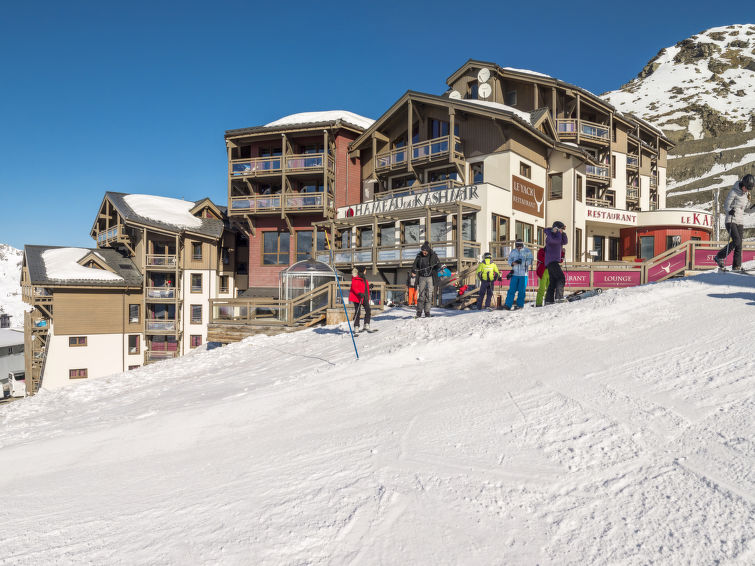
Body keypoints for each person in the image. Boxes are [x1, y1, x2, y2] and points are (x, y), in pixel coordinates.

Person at [715, 174, 753, 271]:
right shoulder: (734, 191)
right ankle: (719, 256)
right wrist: (730, 210)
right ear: (743, 184)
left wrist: (753, 208)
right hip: (730, 220)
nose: (747, 190)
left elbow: (747, 209)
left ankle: (736, 266)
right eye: (746, 188)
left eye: (749, 189)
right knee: (736, 240)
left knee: (739, 245)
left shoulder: (746, 195)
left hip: (740, 221)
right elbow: (726, 205)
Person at [412, 241, 440, 318]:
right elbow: (414, 265)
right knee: (421, 295)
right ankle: (419, 311)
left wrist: (438, 266)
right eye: (422, 250)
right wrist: (413, 271)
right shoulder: (419, 256)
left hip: (430, 277)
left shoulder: (433, 255)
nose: (424, 252)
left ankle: (427, 311)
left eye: (425, 250)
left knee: (429, 295)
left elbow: (438, 265)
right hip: (421, 277)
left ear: (427, 250)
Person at [504, 239, 533, 310]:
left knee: (521, 290)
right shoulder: (513, 251)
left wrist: (522, 262)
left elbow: (530, 261)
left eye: (520, 246)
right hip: (515, 273)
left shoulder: (527, 251)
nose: (519, 248)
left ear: (522, 245)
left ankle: (520, 305)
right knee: (512, 290)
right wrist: (513, 263)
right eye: (517, 246)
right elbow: (509, 260)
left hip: (523, 274)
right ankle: (508, 304)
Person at [544, 221, 568, 305]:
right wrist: (557, 232)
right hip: (552, 261)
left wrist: (563, 233)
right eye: (561, 229)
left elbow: (565, 242)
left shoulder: (557, 235)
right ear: (556, 228)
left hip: (552, 261)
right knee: (561, 278)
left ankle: (549, 300)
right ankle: (559, 297)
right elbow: (557, 241)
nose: (562, 231)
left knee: (553, 281)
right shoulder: (550, 236)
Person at [348, 266, 371, 331]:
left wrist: (370, 286)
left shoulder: (364, 278)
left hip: (364, 297)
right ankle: (356, 326)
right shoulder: (355, 278)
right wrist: (359, 293)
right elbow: (354, 287)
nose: (366, 271)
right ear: (363, 271)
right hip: (357, 297)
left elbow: (364, 287)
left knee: (368, 310)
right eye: (365, 270)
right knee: (358, 312)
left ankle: (366, 324)